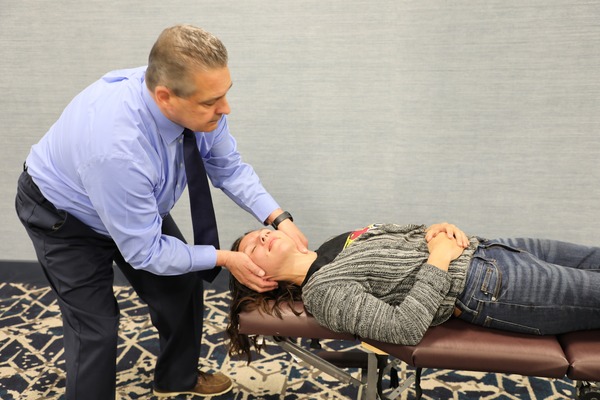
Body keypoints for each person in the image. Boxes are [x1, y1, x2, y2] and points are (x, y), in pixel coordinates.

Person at [15, 24, 308, 399]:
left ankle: (176, 379)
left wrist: (278, 217)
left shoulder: (197, 98)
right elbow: (145, 252)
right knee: (95, 328)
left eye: (225, 93)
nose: (225, 108)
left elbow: (228, 168)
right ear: (165, 97)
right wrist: (224, 258)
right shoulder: (117, 149)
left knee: (183, 287)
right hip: (63, 217)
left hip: (135, 202)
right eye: (211, 102)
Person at [227, 222, 600, 362]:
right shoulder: (322, 292)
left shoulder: (335, 242)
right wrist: (439, 258)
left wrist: (437, 228)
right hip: (488, 287)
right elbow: (403, 327)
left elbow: (405, 233)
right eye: (252, 248)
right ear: (261, 279)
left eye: (261, 232)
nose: (262, 236)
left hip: (496, 247)